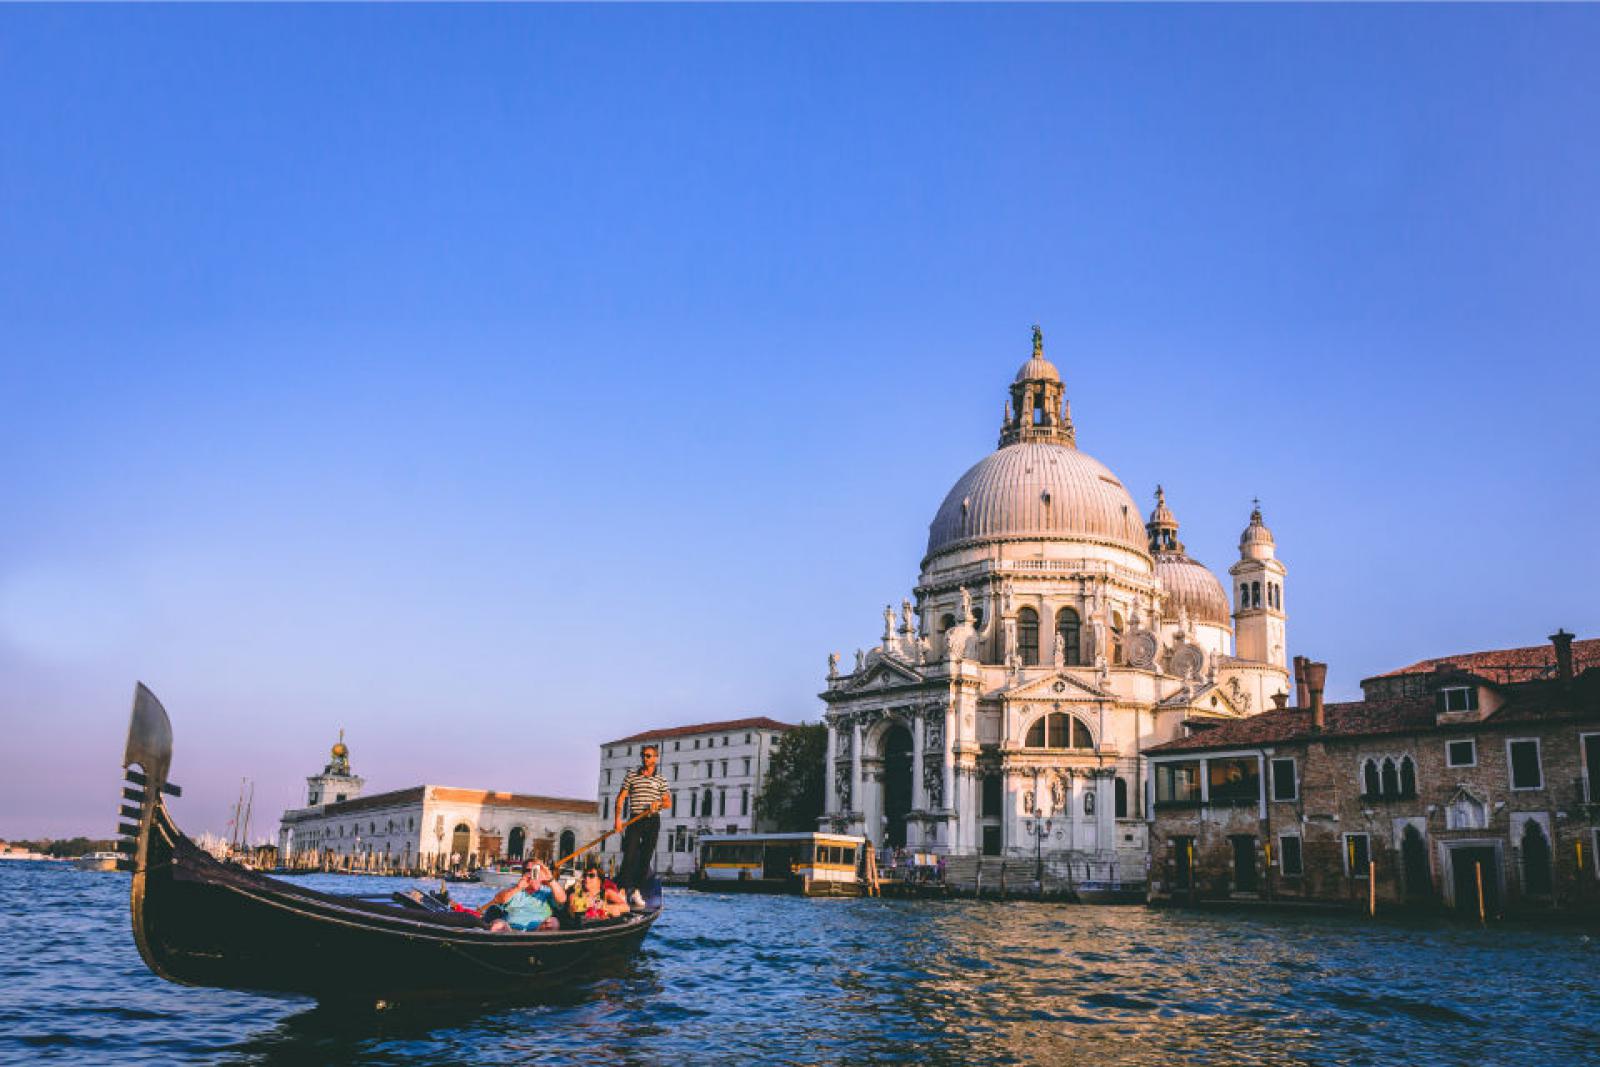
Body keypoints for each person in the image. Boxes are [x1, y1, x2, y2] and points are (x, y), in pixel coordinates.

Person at [614, 743, 671, 908]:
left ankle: (637, 890)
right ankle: (623, 890)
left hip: (652, 820)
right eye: (643, 755)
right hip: (635, 819)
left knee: (646, 856)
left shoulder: (661, 779)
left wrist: (658, 803)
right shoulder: (632, 775)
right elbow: (620, 798)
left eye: (648, 755)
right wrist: (617, 820)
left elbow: (668, 802)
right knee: (630, 854)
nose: (645, 758)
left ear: (656, 758)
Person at [485, 859, 567, 932]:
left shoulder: (547, 891)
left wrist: (550, 879)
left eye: (535, 870)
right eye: (528, 870)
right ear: (523, 873)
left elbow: (562, 899)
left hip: (539, 929)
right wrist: (518, 888)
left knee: (554, 922)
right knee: (498, 924)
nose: (532, 874)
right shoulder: (514, 889)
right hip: (510, 930)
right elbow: (498, 899)